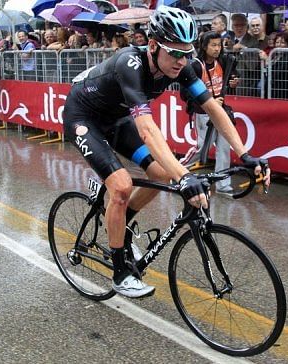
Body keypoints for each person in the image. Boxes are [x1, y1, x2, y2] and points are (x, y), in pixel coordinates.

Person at [62, 6, 270, 298]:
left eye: (186, 53)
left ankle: (122, 226)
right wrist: (184, 176)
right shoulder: (129, 64)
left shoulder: (183, 66)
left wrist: (246, 154)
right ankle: (121, 272)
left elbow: (214, 109)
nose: (181, 61)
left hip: (117, 119)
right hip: (83, 117)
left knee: (161, 176)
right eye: (174, 53)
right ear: (152, 45)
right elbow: (147, 129)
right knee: (121, 186)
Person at [179, 31, 239, 196]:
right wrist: (208, 100)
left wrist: (234, 81)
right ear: (204, 47)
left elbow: (233, 76)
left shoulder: (224, 61)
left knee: (224, 148)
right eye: (213, 45)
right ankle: (176, 171)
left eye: (219, 45)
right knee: (201, 149)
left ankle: (223, 185)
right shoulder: (196, 66)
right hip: (203, 114)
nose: (217, 48)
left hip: (221, 112)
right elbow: (184, 94)